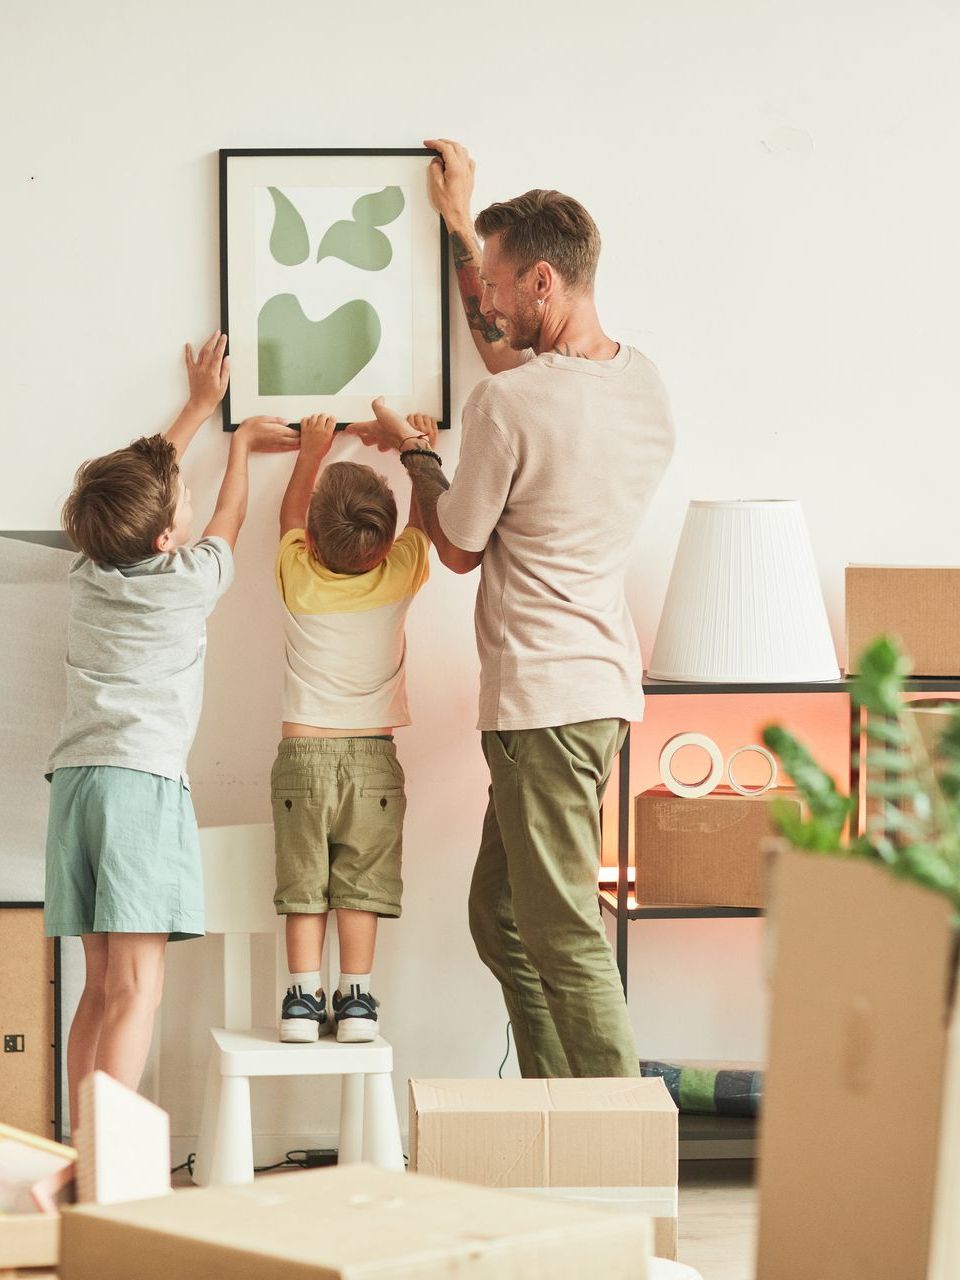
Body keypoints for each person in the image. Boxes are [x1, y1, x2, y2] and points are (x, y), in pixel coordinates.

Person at [347, 140, 675, 1078]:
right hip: (597, 692)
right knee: (501, 916)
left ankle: (620, 1159)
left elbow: (453, 545)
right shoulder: (643, 383)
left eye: (493, 282)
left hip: (542, 702)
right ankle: (555, 1110)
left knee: (565, 932)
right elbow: (511, 368)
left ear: (542, 280)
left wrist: (413, 453)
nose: (483, 300)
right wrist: (460, 223)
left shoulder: (508, 410)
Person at [44, 331, 298, 1124]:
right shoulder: (189, 580)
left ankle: (83, 1148)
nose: (187, 498)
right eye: (175, 501)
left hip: (76, 790)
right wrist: (243, 450)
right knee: (139, 991)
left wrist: (196, 408)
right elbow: (228, 515)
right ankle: (110, 1165)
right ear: (164, 539)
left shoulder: (86, 572)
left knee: (99, 987)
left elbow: (150, 484)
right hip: (139, 788)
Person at [271, 410, 434, 1044]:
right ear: (385, 545)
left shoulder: (297, 574)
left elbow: (289, 515)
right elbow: (423, 523)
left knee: (303, 881)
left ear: (312, 541)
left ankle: (302, 999)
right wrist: (420, 451)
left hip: (302, 754)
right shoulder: (400, 572)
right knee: (361, 883)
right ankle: (358, 1000)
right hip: (373, 759)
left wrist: (310, 452)